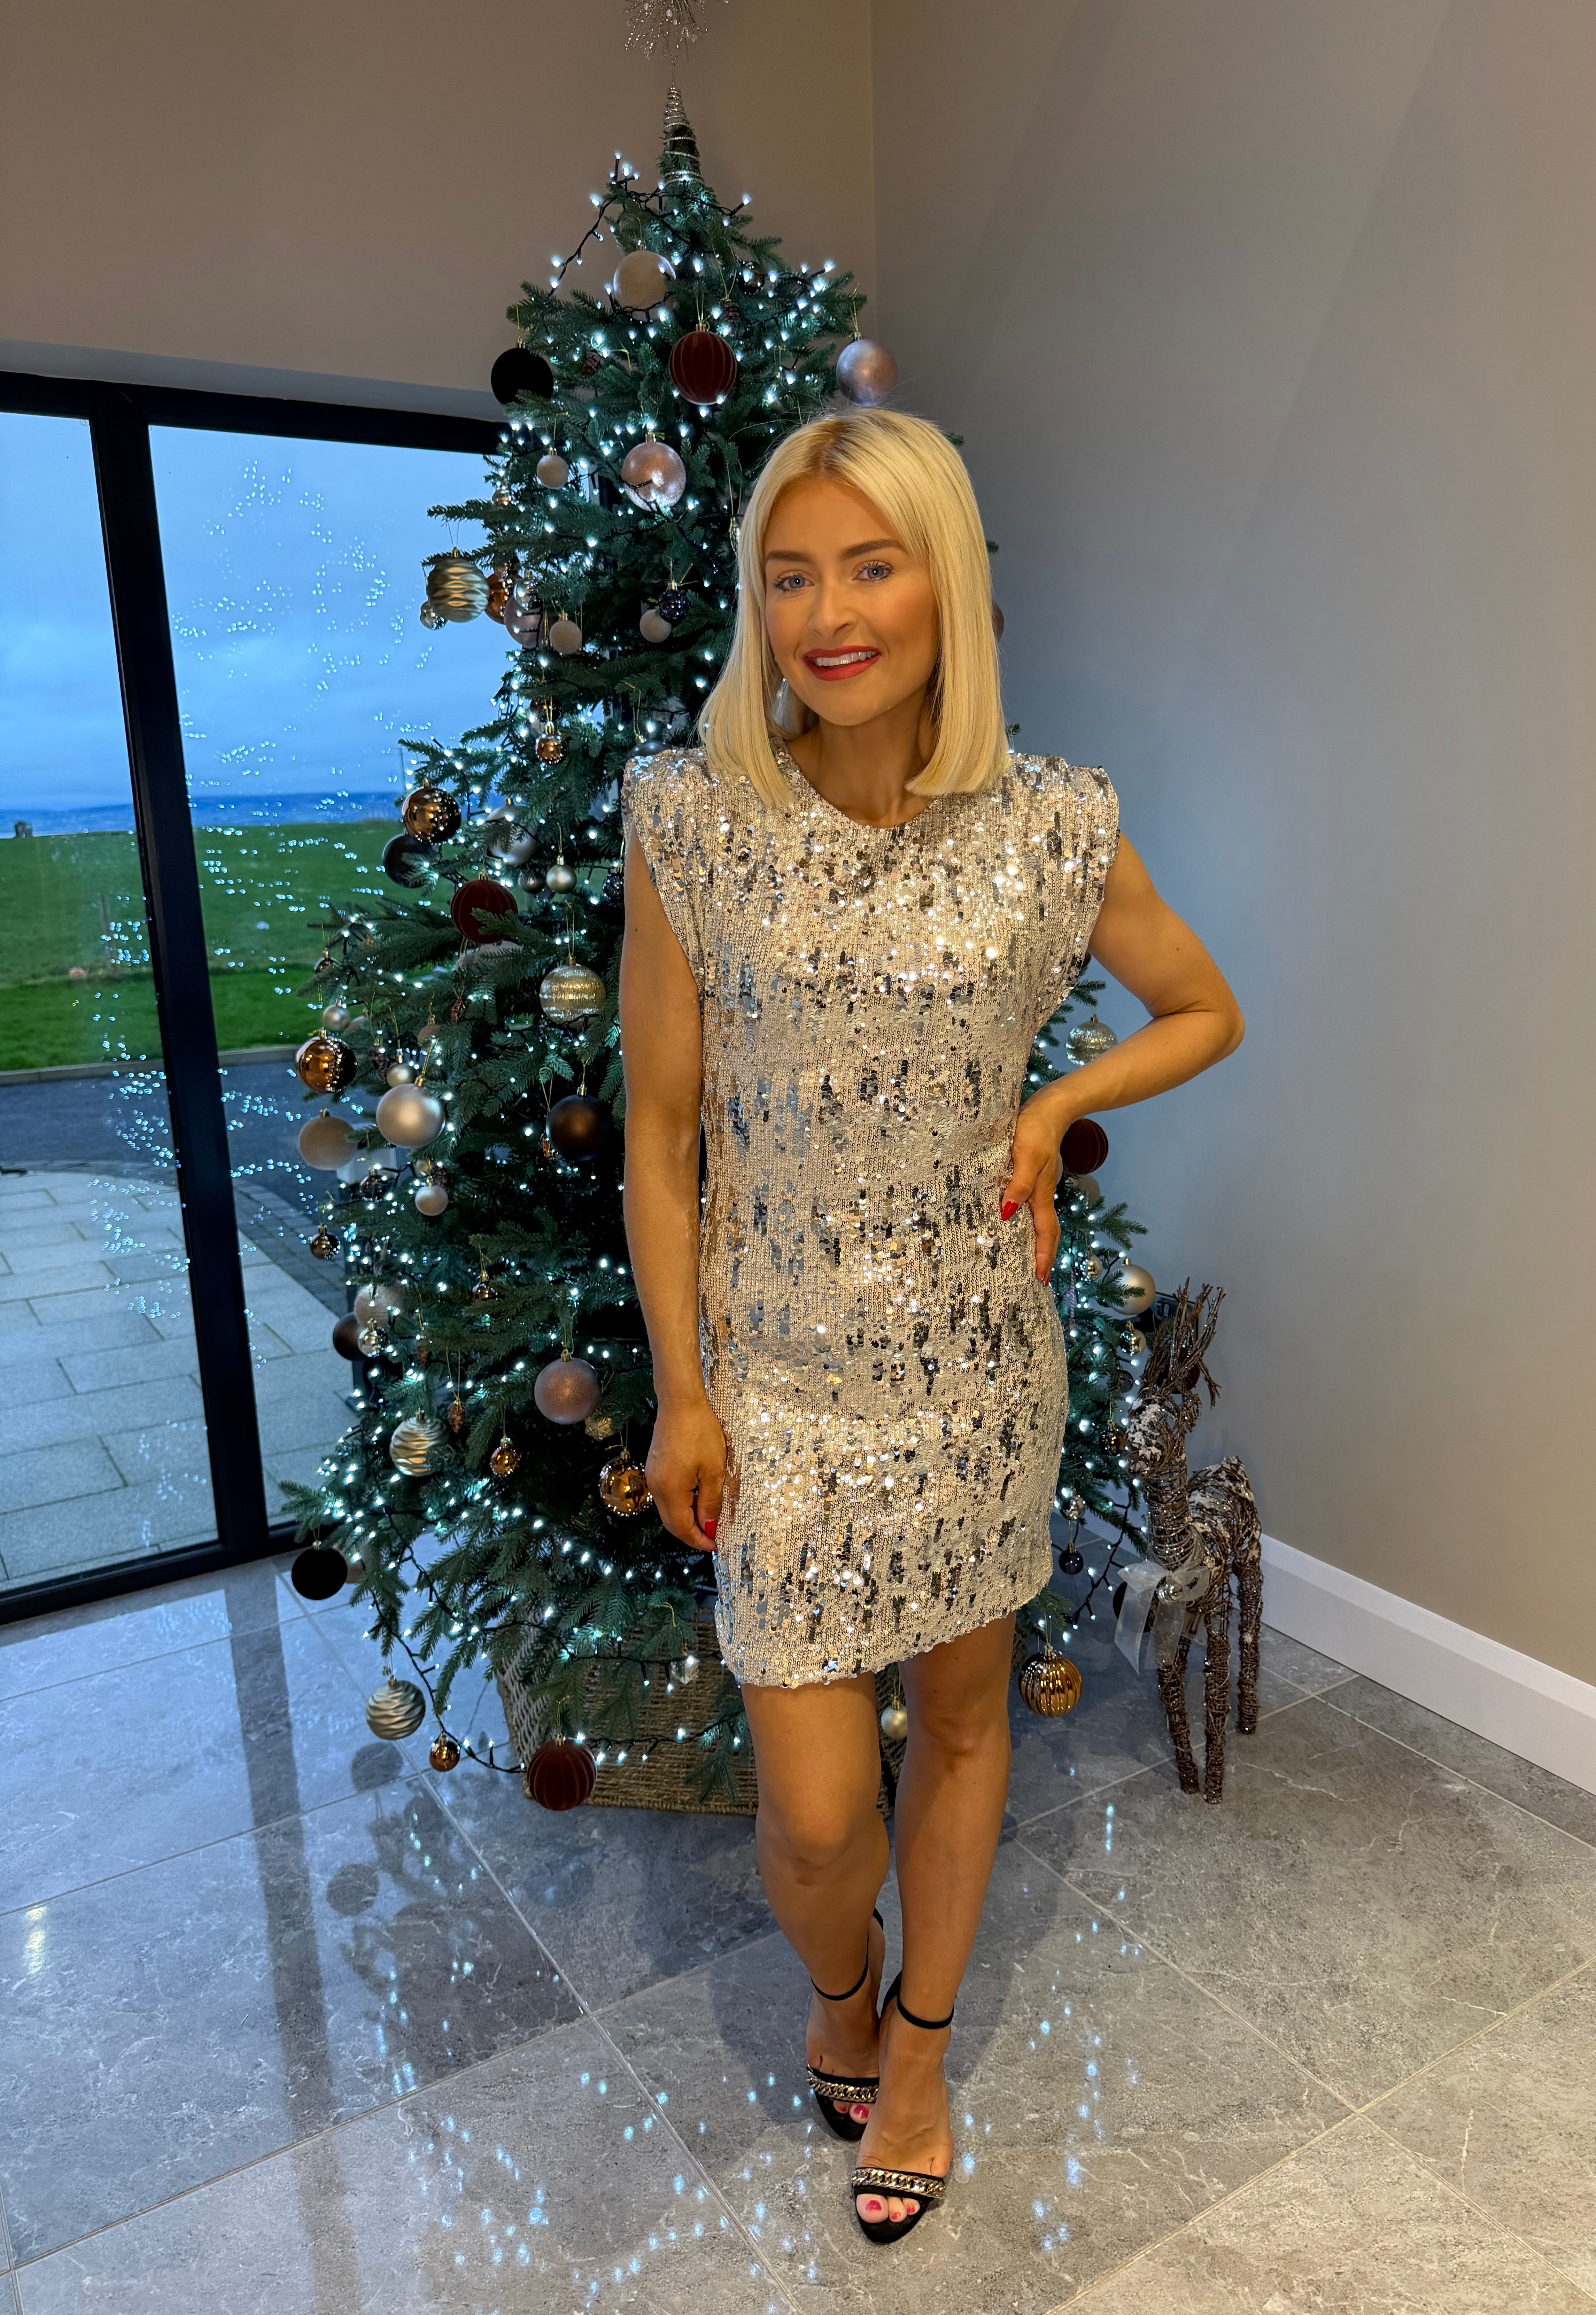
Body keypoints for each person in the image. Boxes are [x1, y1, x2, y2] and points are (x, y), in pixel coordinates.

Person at [618, 407, 1242, 2244]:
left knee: (965, 1730)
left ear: (943, 583)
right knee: (818, 1816)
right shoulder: (692, 822)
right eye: (790, 575)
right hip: (775, 1383)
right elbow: (660, 1136)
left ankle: (916, 2053)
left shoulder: (1054, 826)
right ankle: (840, 1982)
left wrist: (1054, 1109)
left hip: (976, 1372)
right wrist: (680, 1392)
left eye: (870, 567)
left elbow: (1203, 1007)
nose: (829, 613)